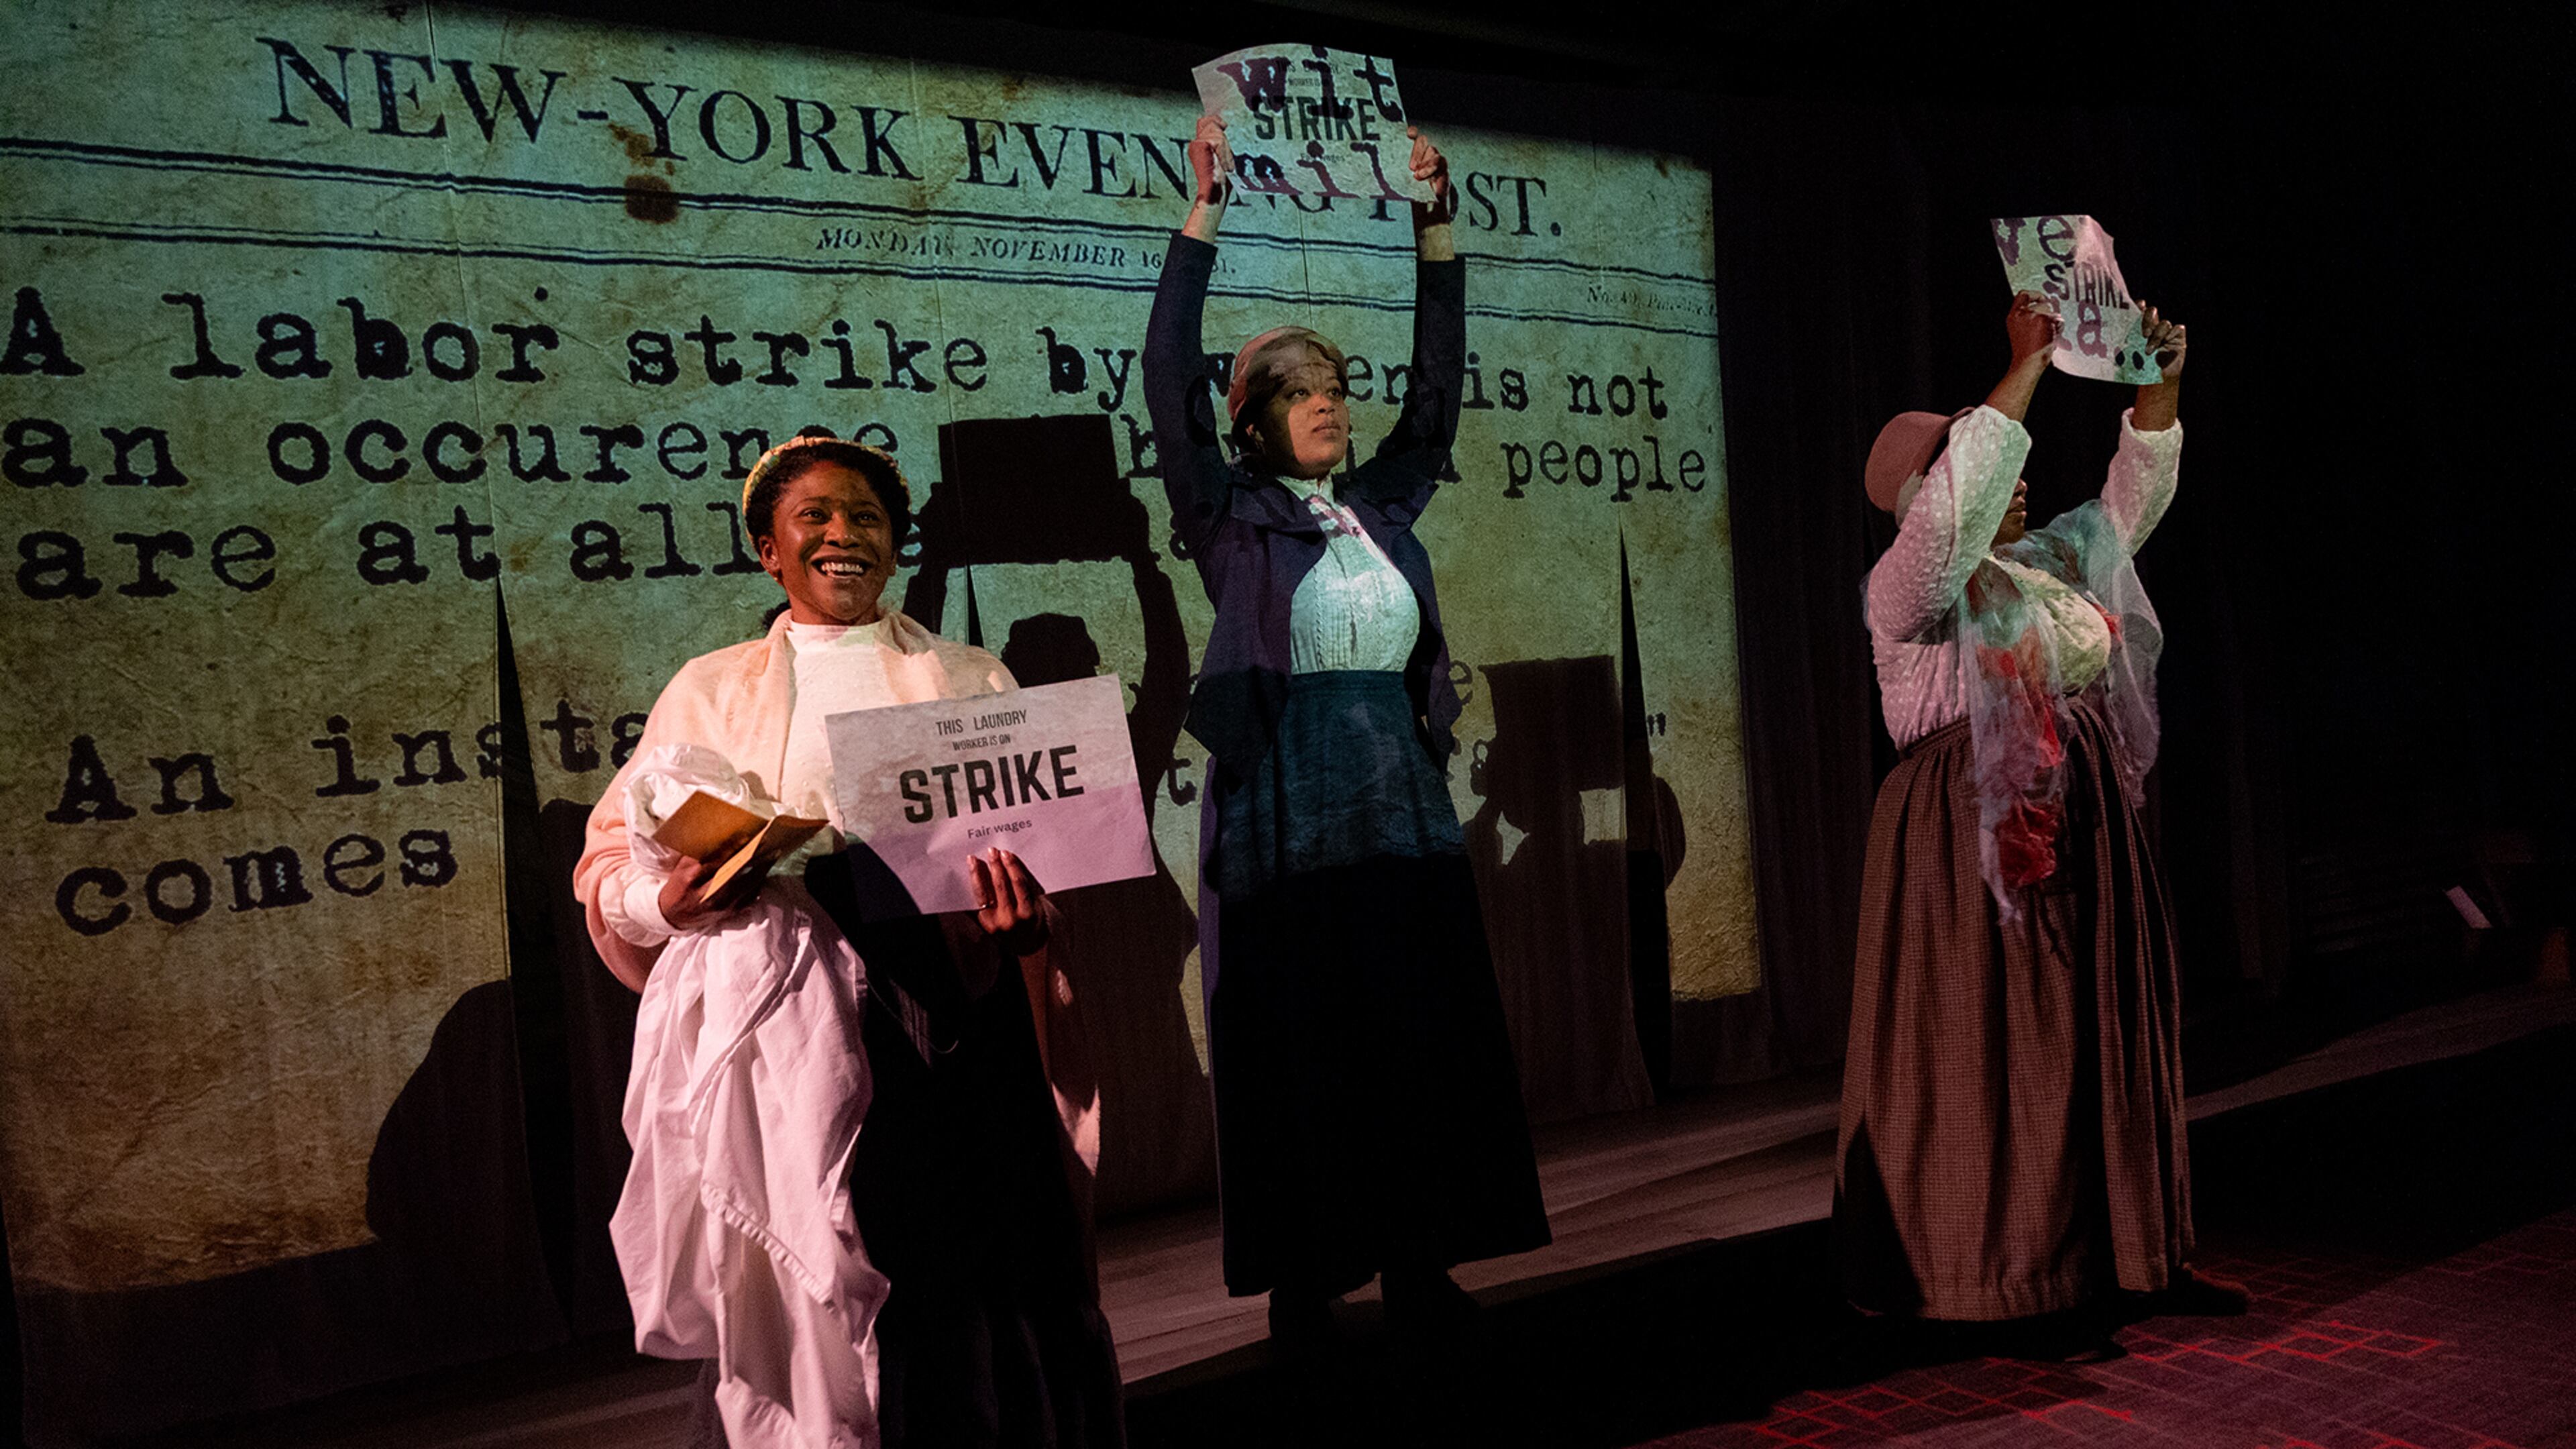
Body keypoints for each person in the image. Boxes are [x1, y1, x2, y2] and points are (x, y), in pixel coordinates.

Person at [575, 436, 1123, 1447]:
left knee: (970, 1263)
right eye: (815, 518)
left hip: (952, 1000)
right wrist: (675, 905)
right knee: (830, 1266)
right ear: (767, 551)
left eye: (866, 517)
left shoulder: (969, 675)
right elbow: (613, 863)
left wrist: (1028, 917)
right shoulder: (711, 688)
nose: (843, 536)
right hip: (793, 1023)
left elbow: (1040, 846)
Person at [1142, 115, 1550, 1347]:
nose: (1324, 404)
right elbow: (1169, 379)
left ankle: (1422, 1256)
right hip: (1288, 801)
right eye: (1295, 392)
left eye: (1332, 388)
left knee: (1415, 1030)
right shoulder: (1228, 514)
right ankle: (1308, 1280)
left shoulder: (1383, 501)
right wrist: (1201, 212)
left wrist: (1435, 225)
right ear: (1252, 420)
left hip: (1399, 794)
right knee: (1302, 1040)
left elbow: (1437, 390)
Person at [1834, 292, 2238, 1348]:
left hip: (2079, 809)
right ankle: (1999, 1274)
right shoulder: (1907, 591)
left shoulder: (2046, 569)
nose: (2013, 487)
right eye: (1984, 475)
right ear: (1930, 505)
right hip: (1967, 834)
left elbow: (2123, 510)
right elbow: (1951, 514)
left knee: (2093, 1030)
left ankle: (2124, 1253)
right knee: (1994, 1045)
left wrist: (2159, 385)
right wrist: (2024, 366)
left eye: (2014, 471)